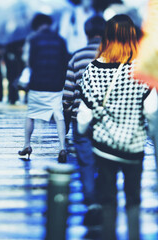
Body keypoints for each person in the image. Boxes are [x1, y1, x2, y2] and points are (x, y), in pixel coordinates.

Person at [77, 14, 158, 240]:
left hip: (103, 146)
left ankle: (109, 236)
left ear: (107, 37)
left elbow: (83, 117)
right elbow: (151, 111)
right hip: (134, 146)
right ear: (133, 37)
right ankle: (134, 235)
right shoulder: (143, 70)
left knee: (107, 198)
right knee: (133, 198)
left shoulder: (93, 69)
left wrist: (86, 131)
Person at [62, 15, 106, 225]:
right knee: (106, 160)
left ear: (87, 32)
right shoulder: (114, 55)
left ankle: (91, 202)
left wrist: (66, 112)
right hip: (108, 118)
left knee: (86, 161)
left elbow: (68, 93)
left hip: (81, 117)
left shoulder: (77, 56)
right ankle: (105, 198)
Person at [18, 13, 69, 162]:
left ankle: (27, 144)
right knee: (59, 116)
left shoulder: (33, 39)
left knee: (31, 115)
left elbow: (28, 62)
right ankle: (62, 148)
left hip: (37, 84)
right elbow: (64, 61)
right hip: (56, 85)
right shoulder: (60, 40)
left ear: (37, 25)